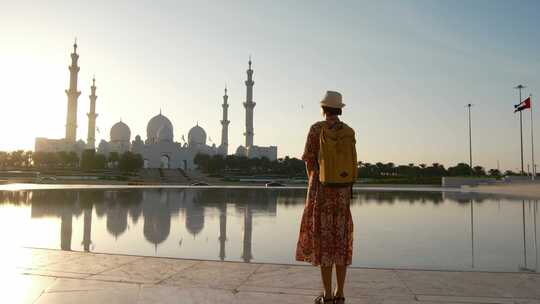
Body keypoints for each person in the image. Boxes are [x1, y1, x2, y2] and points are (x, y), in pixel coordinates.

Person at [296, 91, 356, 304]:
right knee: (340, 242)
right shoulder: (348, 131)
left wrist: (314, 182)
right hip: (342, 195)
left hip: (321, 193)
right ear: (339, 109)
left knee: (324, 243)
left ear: (323, 108)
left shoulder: (316, 129)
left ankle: (327, 296)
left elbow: (308, 161)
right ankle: (340, 295)